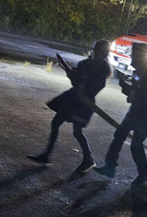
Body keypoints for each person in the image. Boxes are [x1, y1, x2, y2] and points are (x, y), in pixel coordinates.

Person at [27, 40, 111, 172]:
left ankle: (88, 159)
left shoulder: (103, 69)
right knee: (56, 122)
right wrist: (72, 76)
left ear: (103, 53)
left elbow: (96, 86)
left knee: (77, 132)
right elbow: (76, 79)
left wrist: (81, 84)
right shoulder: (85, 63)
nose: (95, 52)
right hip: (73, 98)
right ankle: (46, 155)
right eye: (95, 50)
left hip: (84, 103)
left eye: (98, 51)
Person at [95, 43, 147, 187]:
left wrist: (127, 90)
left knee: (136, 145)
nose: (131, 57)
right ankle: (109, 167)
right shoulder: (141, 73)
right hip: (135, 113)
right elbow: (135, 95)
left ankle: (144, 173)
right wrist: (127, 89)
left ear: (140, 57)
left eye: (133, 55)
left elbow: (142, 98)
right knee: (119, 136)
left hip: (144, 118)